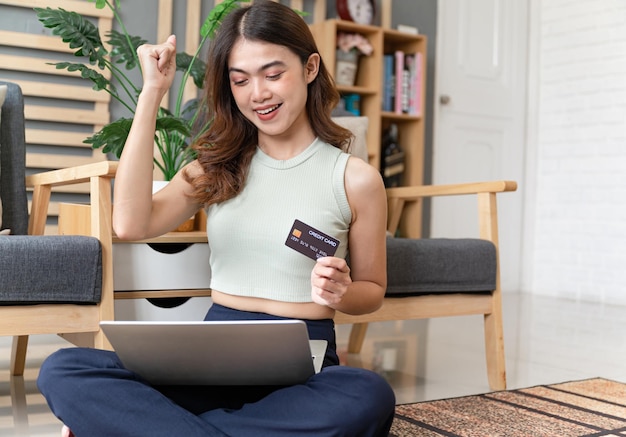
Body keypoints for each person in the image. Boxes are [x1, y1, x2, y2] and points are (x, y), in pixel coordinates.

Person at [37, 1, 395, 436]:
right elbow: (130, 224)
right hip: (210, 361)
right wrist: (152, 93)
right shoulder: (217, 167)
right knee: (65, 368)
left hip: (304, 367)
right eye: (240, 80)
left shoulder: (355, 179)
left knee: (367, 394)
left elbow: (372, 291)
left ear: (310, 67)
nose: (257, 93)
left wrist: (342, 292)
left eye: (273, 73)